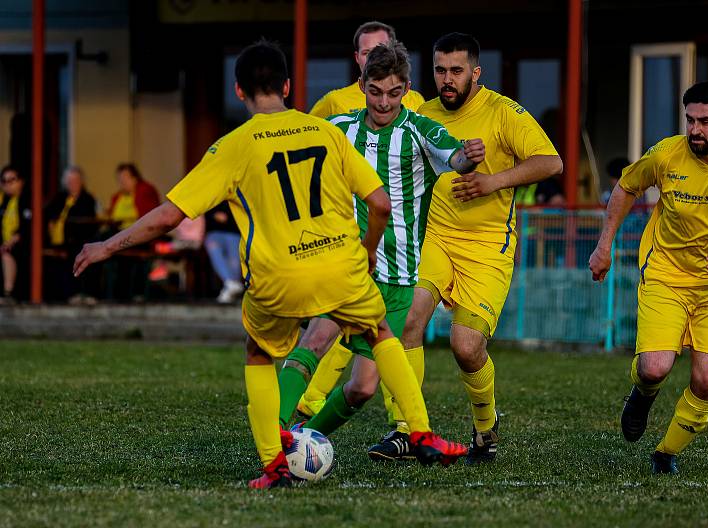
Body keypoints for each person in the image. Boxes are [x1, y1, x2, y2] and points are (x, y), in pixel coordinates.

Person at [73, 39, 466, 490]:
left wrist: (107, 245)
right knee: (379, 333)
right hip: (342, 265)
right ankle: (420, 431)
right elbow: (379, 203)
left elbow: (170, 216)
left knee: (259, 353)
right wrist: (369, 249)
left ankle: (274, 465)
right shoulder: (326, 132)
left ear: (239, 91)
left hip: (278, 275)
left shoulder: (233, 146)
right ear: (287, 85)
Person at [277, 41, 484, 445]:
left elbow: (455, 158)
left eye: (393, 93)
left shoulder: (420, 130)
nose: (384, 102)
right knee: (317, 340)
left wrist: (469, 158)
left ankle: (303, 440)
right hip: (349, 265)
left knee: (363, 388)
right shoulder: (339, 130)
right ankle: (273, 437)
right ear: (362, 85)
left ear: (406, 89)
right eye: (375, 92)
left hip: (399, 274)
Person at [369, 33, 563, 464]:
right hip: (433, 238)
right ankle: (406, 431)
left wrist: (493, 180)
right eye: (440, 70)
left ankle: (485, 430)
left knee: (466, 346)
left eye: (456, 71)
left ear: (475, 72)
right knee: (407, 322)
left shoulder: (503, 112)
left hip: (487, 247)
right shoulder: (421, 113)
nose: (447, 79)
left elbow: (551, 162)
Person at [588, 80, 708, 474]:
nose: (694, 129)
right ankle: (642, 392)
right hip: (667, 272)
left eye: (704, 121)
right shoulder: (666, 154)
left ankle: (665, 453)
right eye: (689, 119)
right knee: (655, 367)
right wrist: (604, 245)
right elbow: (626, 187)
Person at [302, 19, 426, 425]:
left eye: (384, 49)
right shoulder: (335, 107)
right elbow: (303, 150)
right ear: (358, 62)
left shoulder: (417, 110)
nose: (383, 100)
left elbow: (437, 152)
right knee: (327, 336)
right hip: (348, 250)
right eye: (369, 51)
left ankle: (403, 426)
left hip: (397, 250)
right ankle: (296, 416)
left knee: (376, 362)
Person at [309, 20, 425, 118]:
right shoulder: (333, 101)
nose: (373, 58)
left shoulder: (415, 100)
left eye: (380, 50)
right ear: (357, 57)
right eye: (366, 52)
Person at [104, 163, 160, 300]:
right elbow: (111, 216)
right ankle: (108, 294)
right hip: (119, 232)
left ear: (135, 178)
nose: (122, 182)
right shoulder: (118, 196)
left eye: (125, 178)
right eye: (119, 179)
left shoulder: (145, 191)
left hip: (140, 235)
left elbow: (149, 217)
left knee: (111, 245)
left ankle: (130, 293)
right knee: (100, 241)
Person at [44, 166, 98, 303]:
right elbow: (47, 213)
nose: (72, 184)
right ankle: (57, 295)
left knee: (76, 253)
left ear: (81, 182)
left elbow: (88, 222)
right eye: (69, 181)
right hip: (58, 240)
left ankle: (78, 293)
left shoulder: (87, 198)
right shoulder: (61, 197)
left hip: (79, 239)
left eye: (75, 181)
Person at [0, 166, 30, 303]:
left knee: (7, 253)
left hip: (23, 244)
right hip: (5, 242)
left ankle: (8, 293)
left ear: (21, 181)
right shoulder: (4, 202)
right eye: (4, 181)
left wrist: (12, 240)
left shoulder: (26, 199)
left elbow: (28, 226)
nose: (8, 184)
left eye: (12, 180)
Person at [204, 203, 243, 303]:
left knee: (234, 261)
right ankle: (230, 283)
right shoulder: (211, 194)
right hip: (214, 232)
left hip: (234, 232)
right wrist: (214, 215)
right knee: (216, 253)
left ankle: (231, 289)